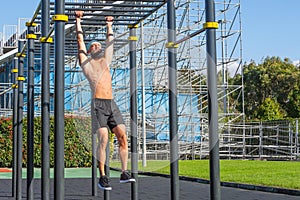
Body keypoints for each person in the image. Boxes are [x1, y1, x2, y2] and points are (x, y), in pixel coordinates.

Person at [75, 10, 135, 191]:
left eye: (98, 45)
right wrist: (78, 20)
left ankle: (124, 172)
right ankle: (102, 176)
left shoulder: (106, 61)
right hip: (98, 105)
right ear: (90, 50)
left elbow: (110, 43)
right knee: (103, 139)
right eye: (94, 45)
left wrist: (109, 24)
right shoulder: (86, 63)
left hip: (111, 103)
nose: (97, 47)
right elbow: (80, 42)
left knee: (123, 137)